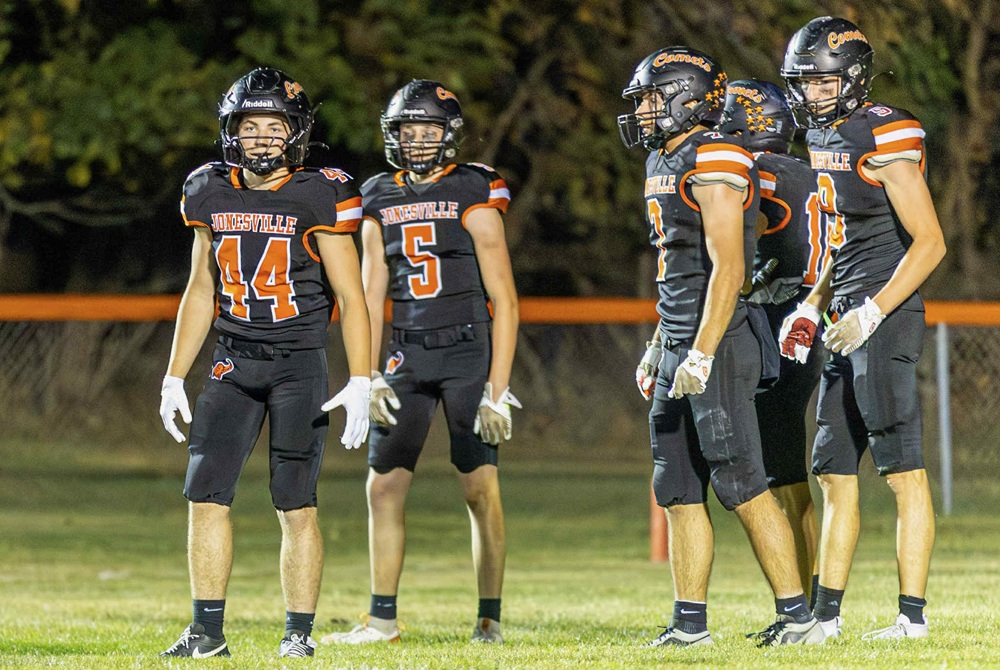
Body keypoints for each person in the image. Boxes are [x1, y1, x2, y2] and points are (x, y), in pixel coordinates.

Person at [156, 67, 372, 659]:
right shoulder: (207, 189)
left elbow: (352, 296)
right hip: (232, 358)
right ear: (231, 130)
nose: (260, 138)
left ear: (296, 132)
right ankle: (206, 632)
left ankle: (297, 635)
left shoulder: (319, 193)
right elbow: (201, 288)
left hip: (298, 361)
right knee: (204, 495)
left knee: (295, 503)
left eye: (273, 125)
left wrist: (361, 377)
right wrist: (175, 373)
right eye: (248, 125)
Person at [623, 47, 825, 648]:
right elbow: (676, 269)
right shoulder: (665, 156)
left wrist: (703, 350)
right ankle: (690, 624)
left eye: (653, 97)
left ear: (688, 96)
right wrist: (661, 344)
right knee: (676, 484)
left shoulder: (716, 154)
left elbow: (728, 265)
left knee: (742, 481)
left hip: (720, 341)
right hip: (680, 336)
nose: (642, 109)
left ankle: (798, 617)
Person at [320, 80, 519, 645]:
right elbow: (368, 291)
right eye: (409, 130)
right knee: (382, 488)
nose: (418, 140)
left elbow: (504, 299)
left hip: (466, 351)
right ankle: (382, 618)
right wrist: (368, 372)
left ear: (449, 134)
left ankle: (489, 619)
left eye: (429, 130)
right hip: (406, 351)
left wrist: (497, 387)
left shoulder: (474, 190)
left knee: (479, 488)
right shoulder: (379, 194)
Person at [780, 16, 946, 640]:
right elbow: (841, 240)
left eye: (823, 82)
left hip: (885, 314)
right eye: (804, 83)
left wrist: (873, 310)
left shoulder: (885, 133)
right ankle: (826, 618)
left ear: (853, 78)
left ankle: (912, 619)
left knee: (902, 470)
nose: (812, 93)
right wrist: (810, 304)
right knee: (832, 470)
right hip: (843, 312)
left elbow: (931, 243)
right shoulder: (829, 138)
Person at [719, 80, 826, 603]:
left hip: (783, 318)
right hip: (818, 315)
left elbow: (747, 246)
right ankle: (807, 600)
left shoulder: (754, 174)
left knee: (781, 470)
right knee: (792, 467)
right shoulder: (809, 169)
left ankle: (801, 604)